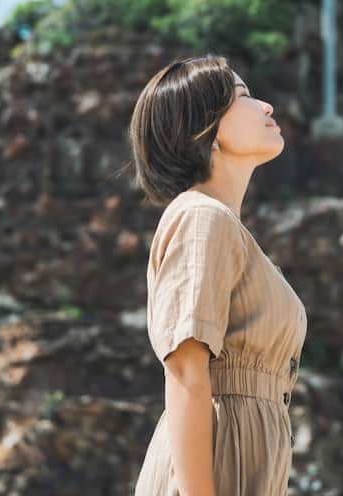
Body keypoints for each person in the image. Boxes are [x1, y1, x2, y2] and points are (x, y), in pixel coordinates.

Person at [129, 53, 307, 496]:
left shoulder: (229, 230)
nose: (266, 106)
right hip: (214, 463)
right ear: (204, 128)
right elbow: (187, 370)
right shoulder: (200, 217)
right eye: (244, 97)